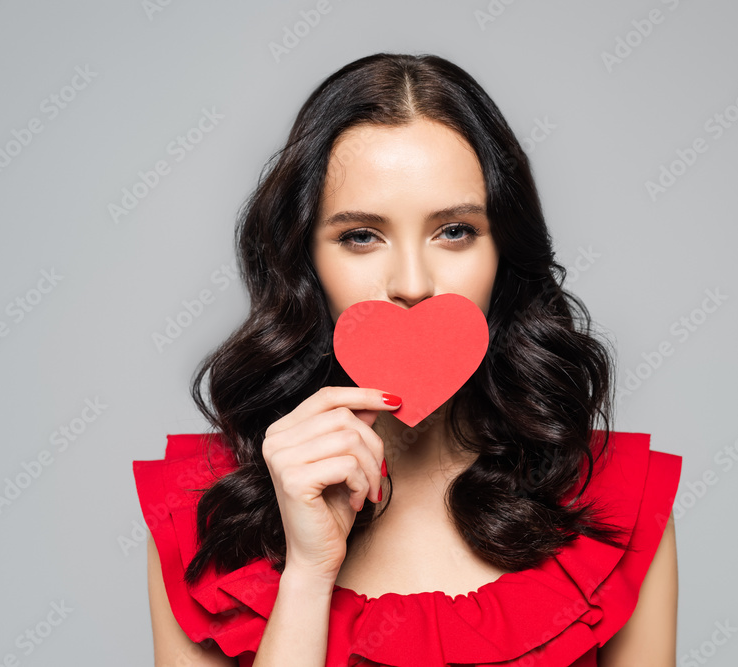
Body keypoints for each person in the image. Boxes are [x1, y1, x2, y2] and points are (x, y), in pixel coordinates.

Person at [133, 52, 683, 666]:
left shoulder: (614, 508)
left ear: (504, 249)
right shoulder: (202, 515)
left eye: (454, 230)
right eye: (360, 236)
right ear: (303, 261)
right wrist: (309, 575)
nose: (413, 283)